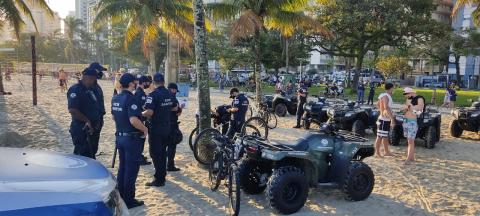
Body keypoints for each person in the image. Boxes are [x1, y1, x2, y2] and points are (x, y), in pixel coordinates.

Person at [111, 73, 147, 209]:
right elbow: (134, 120)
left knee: (123, 167)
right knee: (131, 170)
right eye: (135, 82)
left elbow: (114, 117)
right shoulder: (131, 99)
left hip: (120, 136)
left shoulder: (116, 98)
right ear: (132, 83)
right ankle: (129, 199)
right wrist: (144, 129)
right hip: (131, 138)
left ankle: (120, 195)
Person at [143, 73, 177, 187]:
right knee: (163, 153)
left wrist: (139, 114)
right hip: (167, 127)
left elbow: (149, 112)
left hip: (156, 129)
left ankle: (159, 179)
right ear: (163, 81)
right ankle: (162, 176)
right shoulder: (169, 93)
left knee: (156, 154)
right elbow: (175, 107)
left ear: (153, 82)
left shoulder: (153, 95)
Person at [67, 68, 102, 159]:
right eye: (94, 79)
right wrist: (87, 120)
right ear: (87, 78)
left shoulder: (92, 89)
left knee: (91, 154)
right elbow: (73, 110)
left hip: (92, 128)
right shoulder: (76, 89)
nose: (94, 82)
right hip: (81, 128)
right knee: (81, 156)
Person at [88, 62, 107, 159]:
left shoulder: (95, 85)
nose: (101, 73)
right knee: (87, 150)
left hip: (97, 121)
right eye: (99, 71)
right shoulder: (87, 87)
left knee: (93, 147)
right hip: (89, 123)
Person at [401, 87, 425, 164]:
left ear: (410, 92)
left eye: (406, 94)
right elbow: (404, 110)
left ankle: (408, 158)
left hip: (412, 122)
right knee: (409, 140)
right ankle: (412, 157)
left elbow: (419, 110)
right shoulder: (409, 100)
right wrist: (405, 108)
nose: (406, 96)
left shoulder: (419, 98)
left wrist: (409, 107)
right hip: (406, 121)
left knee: (410, 140)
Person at [133, 75, 152, 166]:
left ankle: (139, 155)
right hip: (139, 119)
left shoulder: (141, 92)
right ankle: (138, 157)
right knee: (140, 140)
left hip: (141, 119)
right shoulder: (139, 93)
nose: (149, 84)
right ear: (144, 82)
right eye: (148, 82)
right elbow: (142, 107)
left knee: (141, 140)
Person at [375, 83, 395, 157]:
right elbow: (386, 107)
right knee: (380, 136)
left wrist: (381, 111)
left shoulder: (383, 95)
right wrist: (392, 118)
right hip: (383, 120)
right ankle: (377, 153)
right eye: (393, 88)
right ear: (390, 88)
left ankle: (386, 152)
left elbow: (377, 104)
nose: (394, 89)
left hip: (383, 119)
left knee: (385, 136)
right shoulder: (386, 96)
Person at [167, 83, 183, 172]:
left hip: (162, 124)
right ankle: (170, 165)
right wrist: (181, 108)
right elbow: (177, 111)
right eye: (176, 91)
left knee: (162, 146)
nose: (176, 92)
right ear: (173, 89)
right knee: (171, 146)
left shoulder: (163, 96)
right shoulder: (173, 98)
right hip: (172, 124)